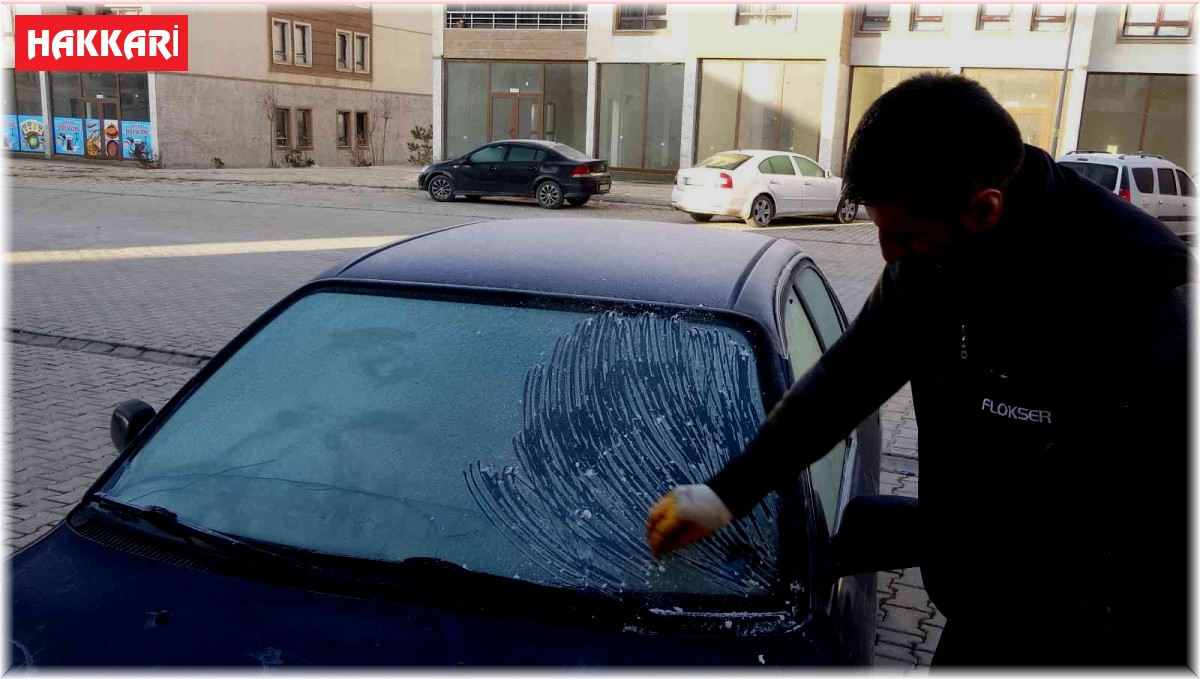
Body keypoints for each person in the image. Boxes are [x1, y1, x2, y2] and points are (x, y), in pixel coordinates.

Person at [646, 73, 1190, 667]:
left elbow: (1148, 511)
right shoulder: (932, 265)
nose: (887, 254)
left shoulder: (1141, 290)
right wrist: (727, 493)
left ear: (984, 209)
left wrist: (938, 533)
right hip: (982, 613)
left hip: (1095, 633)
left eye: (905, 235)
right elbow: (847, 379)